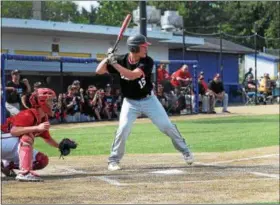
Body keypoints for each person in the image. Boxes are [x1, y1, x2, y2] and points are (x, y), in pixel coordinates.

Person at [96, 33, 194, 171]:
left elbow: (132, 75)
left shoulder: (147, 61)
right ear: (134, 48)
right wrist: (107, 58)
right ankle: (113, 160)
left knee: (166, 126)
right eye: (143, 47)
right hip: (130, 102)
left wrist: (114, 64)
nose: (146, 49)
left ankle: (186, 151)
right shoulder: (121, 60)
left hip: (149, 100)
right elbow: (99, 70)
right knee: (123, 129)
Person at [1, 88, 75, 182]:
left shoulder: (43, 118)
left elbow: (48, 139)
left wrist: (60, 146)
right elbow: (14, 131)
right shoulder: (28, 113)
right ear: (41, 101)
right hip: (3, 140)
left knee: (41, 160)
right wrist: (36, 128)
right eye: (50, 100)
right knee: (27, 136)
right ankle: (25, 173)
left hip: (9, 144)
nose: (53, 103)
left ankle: (7, 165)